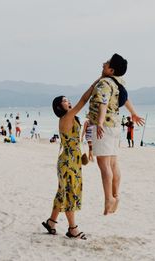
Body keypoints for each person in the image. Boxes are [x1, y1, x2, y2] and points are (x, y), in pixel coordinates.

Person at [87, 53, 144, 215]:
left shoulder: (105, 83)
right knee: (113, 163)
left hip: (104, 127)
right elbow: (125, 99)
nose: (103, 63)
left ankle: (109, 199)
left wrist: (98, 122)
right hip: (115, 127)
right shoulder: (119, 81)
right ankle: (115, 195)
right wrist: (133, 113)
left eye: (106, 63)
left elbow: (103, 103)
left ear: (111, 70)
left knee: (104, 165)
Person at [42, 82, 97, 240]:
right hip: (68, 162)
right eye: (65, 100)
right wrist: (94, 85)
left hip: (72, 160)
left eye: (68, 100)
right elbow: (83, 100)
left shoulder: (71, 118)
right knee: (70, 194)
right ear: (60, 106)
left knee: (62, 193)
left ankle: (51, 222)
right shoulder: (67, 117)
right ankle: (73, 229)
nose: (68, 101)